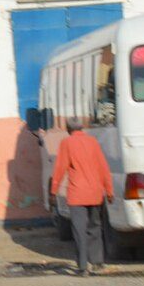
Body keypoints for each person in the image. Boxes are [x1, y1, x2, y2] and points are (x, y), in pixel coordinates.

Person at [48, 116, 115, 276]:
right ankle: (98, 262)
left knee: (79, 230)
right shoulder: (93, 142)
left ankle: (83, 267)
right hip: (95, 193)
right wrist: (109, 191)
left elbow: (60, 167)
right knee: (95, 228)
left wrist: (53, 191)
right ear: (82, 128)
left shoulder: (67, 143)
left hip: (77, 194)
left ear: (68, 129)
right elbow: (103, 167)